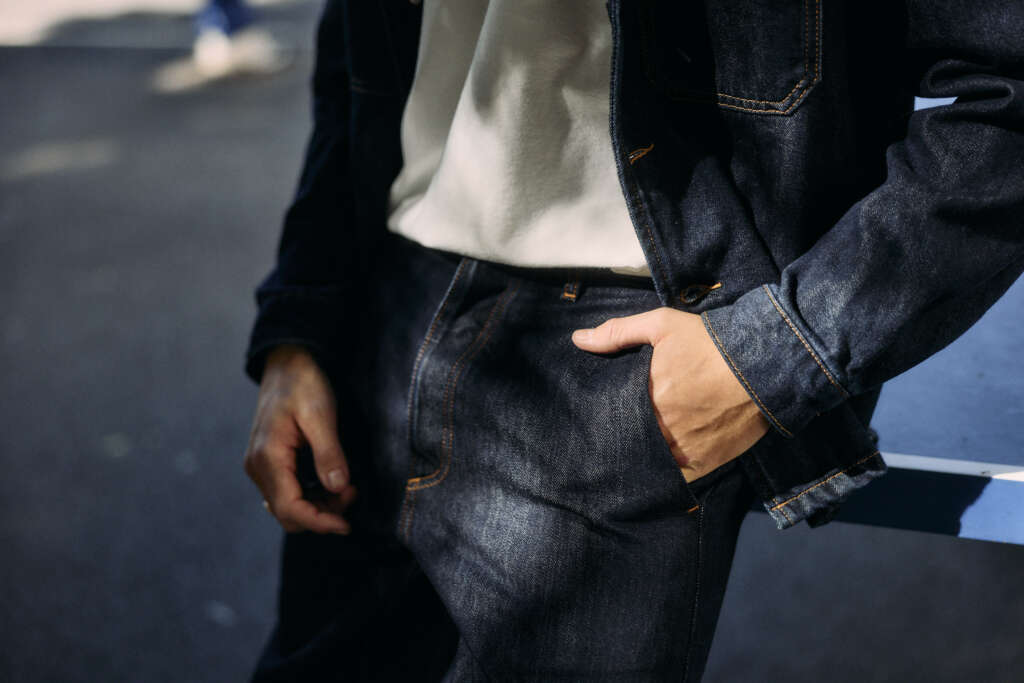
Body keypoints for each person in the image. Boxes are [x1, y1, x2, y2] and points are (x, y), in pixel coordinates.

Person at [241, 1, 1024, 679]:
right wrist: (300, 328)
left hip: (618, 346)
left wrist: (771, 355)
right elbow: (359, 51)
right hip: (388, 304)